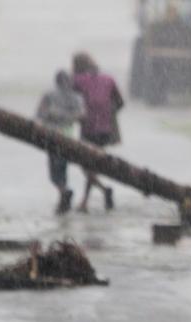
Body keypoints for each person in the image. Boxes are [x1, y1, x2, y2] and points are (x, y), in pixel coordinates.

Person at [71, 51, 123, 212]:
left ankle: (99, 193)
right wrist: (108, 113)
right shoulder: (109, 79)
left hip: (88, 128)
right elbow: (120, 102)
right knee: (92, 163)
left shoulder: (78, 81)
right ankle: (90, 198)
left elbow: (71, 99)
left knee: (86, 164)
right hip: (105, 130)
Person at [36, 70, 85, 215]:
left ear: (56, 81)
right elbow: (81, 115)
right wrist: (69, 117)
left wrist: (53, 115)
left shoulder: (49, 96)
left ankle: (63, 191)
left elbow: (40, 115)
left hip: (52, 135)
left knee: (53, 171)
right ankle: (63, 195)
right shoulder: (77, 97)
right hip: (68, 136)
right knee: (63, 166)